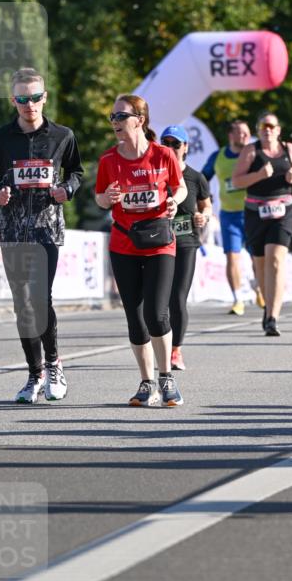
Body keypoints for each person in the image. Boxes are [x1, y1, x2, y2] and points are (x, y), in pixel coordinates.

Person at [0, 68, 83, 403]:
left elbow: (78, 172)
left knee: (40, 299)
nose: (30, 104)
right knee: (22, 305)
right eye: (22, 99)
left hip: (46, 228)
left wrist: (68, 188)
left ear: (45, 97)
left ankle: (54, 364)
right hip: (12, 229)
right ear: (13, 100)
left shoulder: (62, 135)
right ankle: (34, 373)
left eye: (35, 97)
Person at [95, 95, 187, 406]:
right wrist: (107, 197)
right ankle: (147, 383)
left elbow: (181, 185)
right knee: (135, 318)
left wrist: (175, 200)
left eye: (121, 116)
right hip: (123, 243)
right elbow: (99, 198)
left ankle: (167, 377)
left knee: (157, 313)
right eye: (113, 117)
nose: (115, 123)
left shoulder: (163, 155)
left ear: (140, 120)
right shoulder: (109, 160)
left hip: (160, 242)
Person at [231, 112, 292, 336]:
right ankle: (267, 308)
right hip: (256, 211)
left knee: (276, 259)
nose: (267, 129)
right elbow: (237, 180)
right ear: (259, 129)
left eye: (271, 126)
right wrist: (259, 175)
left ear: (278, 129)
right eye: (263, 126)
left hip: (283, 210)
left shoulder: (288, 149)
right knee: (261, 264)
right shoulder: (251, 151)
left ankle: (273, 316)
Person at [160, 124, 212, 372]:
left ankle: (175, 350)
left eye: (175, 144)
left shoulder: (195, 177)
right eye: (165, 143)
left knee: (177, 298)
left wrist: (204, 216)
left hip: (186, 242)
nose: (170, 148)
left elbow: (207, 206)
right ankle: (159, 344)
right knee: (158, 298)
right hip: (158, 242)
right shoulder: (155, 174)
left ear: (185, 148)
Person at [202, 120, 264, 315]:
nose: (245, 137)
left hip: (253, 212)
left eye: (247, 133)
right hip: (229, 215)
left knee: (257, 257)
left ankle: (260, 290)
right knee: (232, 257)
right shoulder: (218, 157)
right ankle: (238, 299)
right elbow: (203, 178)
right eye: (241, 133)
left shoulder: (253, 155)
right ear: (231, 135)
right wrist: (204, 200)